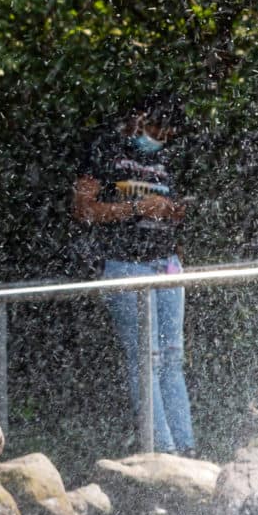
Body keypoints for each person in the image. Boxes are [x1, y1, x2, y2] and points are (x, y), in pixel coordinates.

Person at [72, 97, 195, 454]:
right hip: (126, 264)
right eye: (156, 129)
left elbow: (172, 208)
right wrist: (138, 208)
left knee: (173, 358)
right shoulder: (105, 149)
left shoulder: (164, 156)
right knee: (147, 358)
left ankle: (187, 449)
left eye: (166, 134)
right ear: (138, 118)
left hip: (167, 263)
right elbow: (82, 210)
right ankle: (163, 450)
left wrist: (172, 212)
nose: (159, 138)